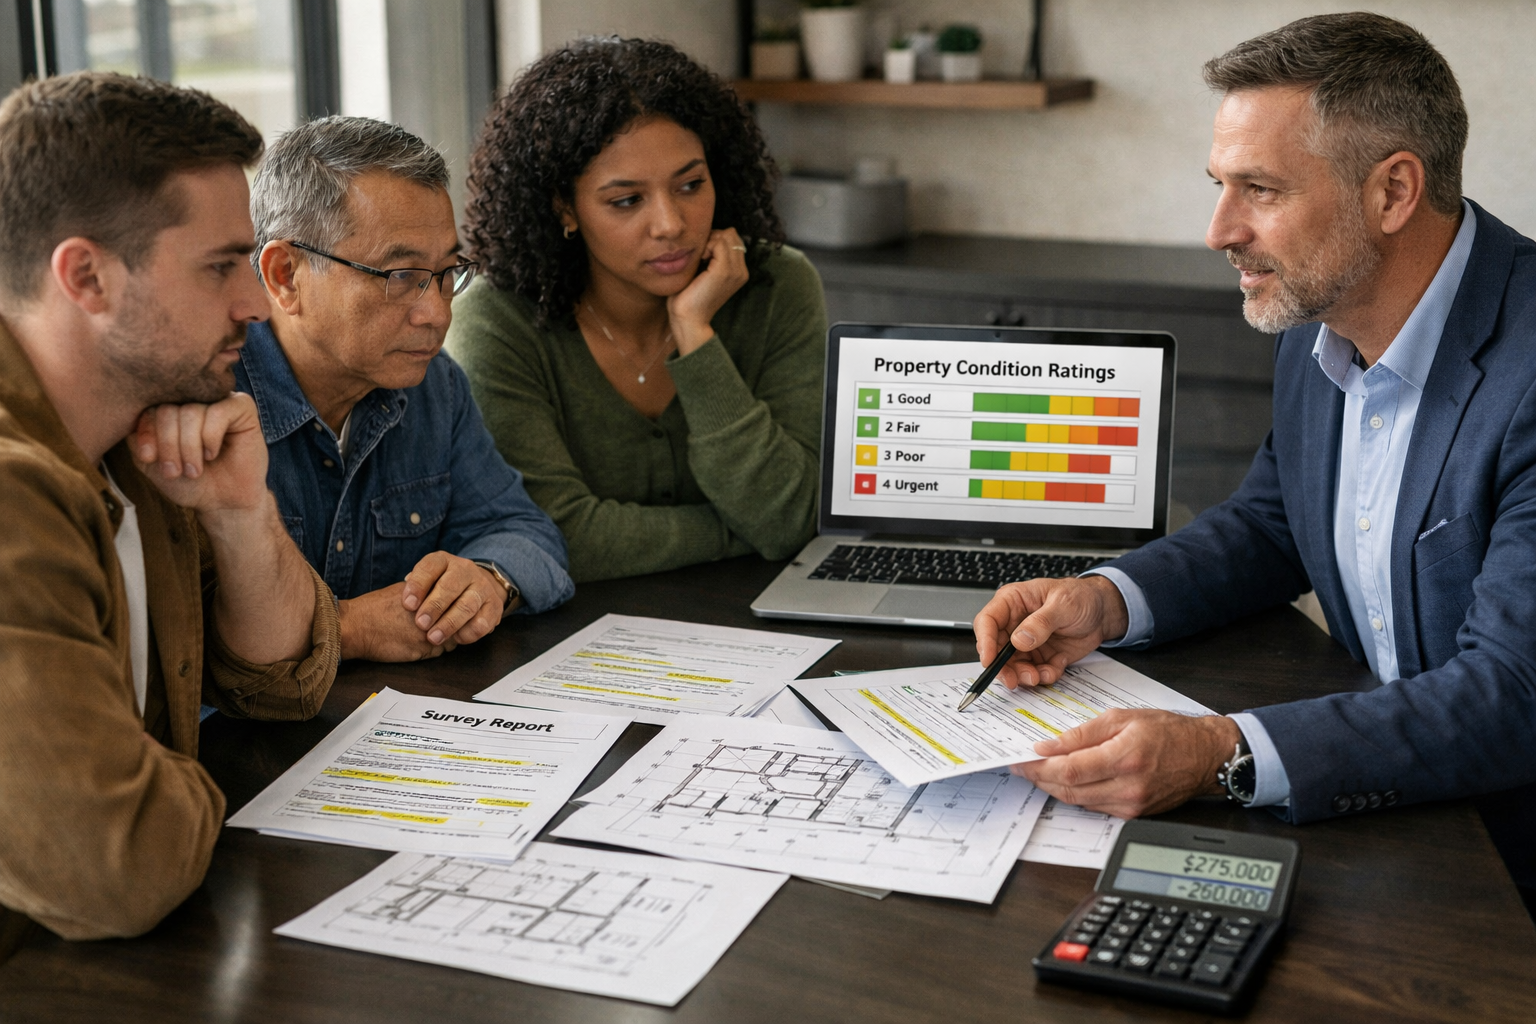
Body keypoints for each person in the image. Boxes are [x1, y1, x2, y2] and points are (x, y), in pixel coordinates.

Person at [973, 13, 1536, 911]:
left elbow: (1513, 698)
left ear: (1393, 193)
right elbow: (1274, 522)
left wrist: (1218, 752)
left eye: (1260, 190)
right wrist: (1106, 599)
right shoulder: (1323, 315)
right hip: (1383, 808)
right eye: (1219, 186)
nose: (1219, 230)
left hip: (1505, 860)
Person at [0, 73, 340, 951]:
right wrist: (179, 778)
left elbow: (287, 684)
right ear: (86, 277)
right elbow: (119, 869)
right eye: (222, 266)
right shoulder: (11, 493)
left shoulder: (139, 427)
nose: (257, 305)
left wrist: (239, 512)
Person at [445, 37, 827, 582]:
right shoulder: (497, 319)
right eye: (627, 201)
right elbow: (549, 536)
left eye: (691, 185)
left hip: (766, 635)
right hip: (560, 647)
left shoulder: (777, 286)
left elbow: (789, 515)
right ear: (564, 208)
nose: (670, 223)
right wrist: (739, 531)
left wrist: (695, 332)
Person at [241, 117, 573, 663]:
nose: (437, 313)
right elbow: (176, 639)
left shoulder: (431, 384)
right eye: (400, 277)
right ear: (285, 276)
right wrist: (347, 629)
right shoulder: (210, 399)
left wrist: (488, 580)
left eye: (446, 272)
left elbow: (524, 531)